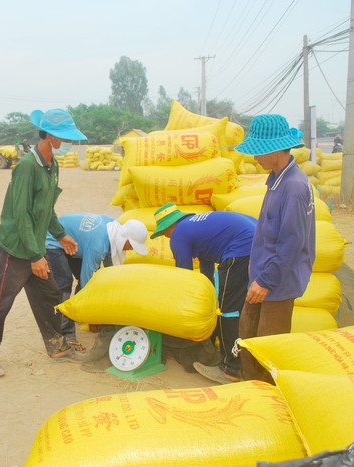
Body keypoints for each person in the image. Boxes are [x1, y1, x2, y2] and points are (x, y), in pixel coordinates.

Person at [0, 108, 88, 378]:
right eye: (63, 137)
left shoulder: (53, 165)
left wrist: (61, 234)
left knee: (49, 295)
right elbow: (21, 215)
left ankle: (57, 347)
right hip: (15, 248)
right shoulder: (28, 166)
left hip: (35, 247)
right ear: (49, 135)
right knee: (2, 303)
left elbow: (46, 208)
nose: (67, 142)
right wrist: (34, 256)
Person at [234, 114, 316, 384]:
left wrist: (266, 281)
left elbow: (291, 243)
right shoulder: (277, 178)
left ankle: (268, 398)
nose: (255, 158)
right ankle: (251, 388)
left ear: (274, 150)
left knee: (268, 347)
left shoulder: (293, 187)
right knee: (248, 335)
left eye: (258, 152)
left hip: (276, 283)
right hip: (264, 278)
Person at [150, 204, 258, 384]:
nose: (165, 236)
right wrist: (207, 298)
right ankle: (243, 360)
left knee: (227, 310)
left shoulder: (178, 235)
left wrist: (182, 306)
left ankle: (230, 369)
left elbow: (184, 275)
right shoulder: (196, 227)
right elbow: (206, 269)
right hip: (257, 245)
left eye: (164, 232)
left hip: (240, 251)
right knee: (236, 306)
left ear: (170, 226)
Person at [45, 214, 148, 350]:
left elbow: (111, 269)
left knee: (95, 278)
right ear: (124, 239)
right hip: (53, 240)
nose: (132, 249)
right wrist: (91, 317)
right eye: (132, 245)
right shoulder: (98, 245)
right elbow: (87, 280)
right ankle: (66, 333)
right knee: (64, 283)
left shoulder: (114, 227)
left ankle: (76, 312)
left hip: (77, 242)